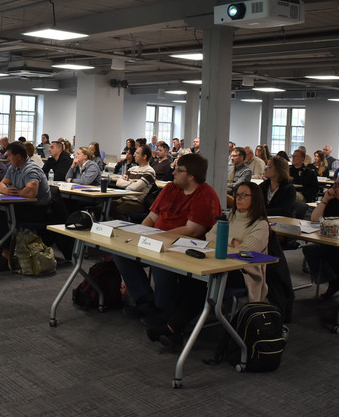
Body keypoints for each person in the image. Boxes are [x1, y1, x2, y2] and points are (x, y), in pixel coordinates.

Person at [146, 182, 270, 348]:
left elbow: (247, 251)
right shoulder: (230, 217)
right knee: (188, 278)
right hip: (219, 263)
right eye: (237, 194)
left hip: (243, 273)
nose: (238, 198)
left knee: (201, 283)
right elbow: (210, 236)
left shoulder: (260, 225)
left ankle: (171, 327)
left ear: (255, 199)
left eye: (244, 195)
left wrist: (225, 241)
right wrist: (232, 241)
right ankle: (176, 329)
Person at [114, 153, 221, 321]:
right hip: (157, 240)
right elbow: (151, 219)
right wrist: (139, 236)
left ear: (191, 176)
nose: (174, 173)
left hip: (183, 248)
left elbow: (192, 230)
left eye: (179, 170)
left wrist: (158, 237)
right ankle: (145, 301)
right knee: (121, 253)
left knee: (161, 262)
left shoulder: (205, 195)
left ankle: (162, 310)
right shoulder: (171, 188)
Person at [111, 144, 156, 219]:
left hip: (136, 203)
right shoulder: (132, 169)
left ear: (144, 156)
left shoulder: (149, 171)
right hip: (123, 199)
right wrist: (131, 183)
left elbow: (135, 187)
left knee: (117, 210)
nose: (134, 155)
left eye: (137, 153)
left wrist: (126, 184)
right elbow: (118, 183)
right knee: (101, 207)